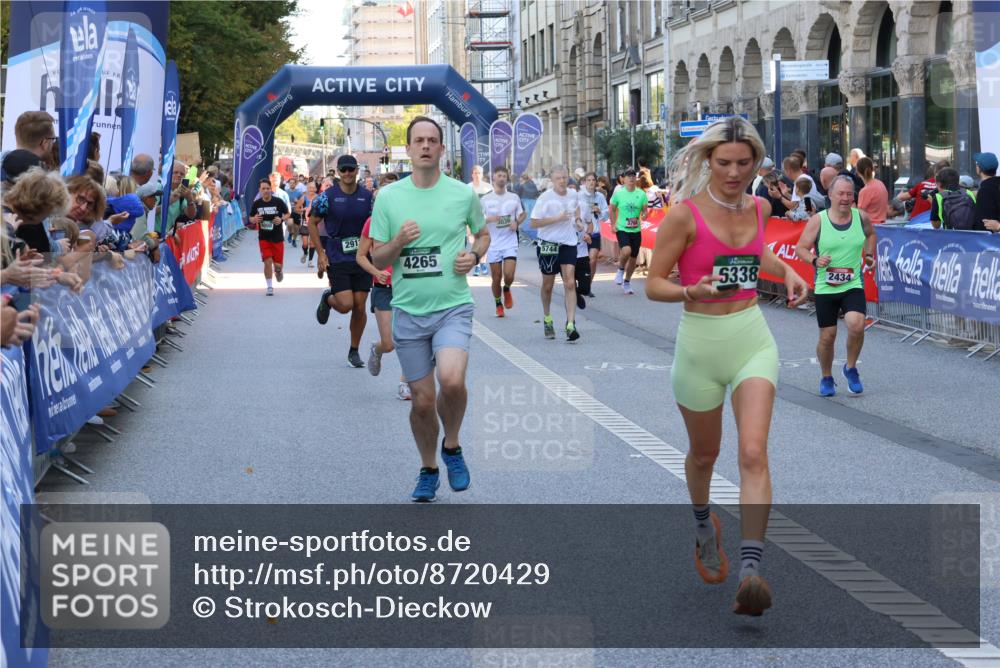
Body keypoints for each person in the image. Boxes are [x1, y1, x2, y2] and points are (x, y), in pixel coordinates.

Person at [645, 116, 809, 617]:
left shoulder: (760, 206)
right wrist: (690, 289)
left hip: (750, 337)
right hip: (699, 344)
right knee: (703, 457)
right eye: (724, 163)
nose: (734, 172)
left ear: (755, 162)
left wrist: (788, 272)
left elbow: (752, 250)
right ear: (708, 161)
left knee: (754, 454)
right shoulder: (684, 215)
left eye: (744, 163)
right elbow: (654, 283)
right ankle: (703, 526)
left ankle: (752, 570)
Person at [369, 116, 489, 502]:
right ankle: (428, 467)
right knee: (421, 401)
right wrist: (399, 241)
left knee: (452, 381)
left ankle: (451, 446)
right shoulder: (389, 198)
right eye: (418, 140)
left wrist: (473, 254)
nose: (425, 146)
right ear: (408, 149)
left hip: (453, 306)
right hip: (408, 310)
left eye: (432, 140)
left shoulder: (462, 194)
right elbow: (378, 255)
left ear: (441, 149)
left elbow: (483, 234)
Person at [795, 175, 877, 397]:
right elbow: (800, 248)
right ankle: (826, 376)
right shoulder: (819, 220)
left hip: (852, 283)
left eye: (850, 194)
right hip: (825, 287)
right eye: (841, 193)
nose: (845, 198)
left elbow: (871, 235)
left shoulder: (860, 217)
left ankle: (850, 368)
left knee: (856, 325)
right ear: (830, 195)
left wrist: (868, 255)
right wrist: (814, 260)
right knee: (827, 337)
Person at [311, 154, 375, 368]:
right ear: (338, 172)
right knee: (346, 305)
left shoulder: (368, 197)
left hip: (363, 257)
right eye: (344, 170)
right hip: (337, 255)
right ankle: (329, 299)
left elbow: (377, 224)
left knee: (360, 307)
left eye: (351, 169)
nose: (348, 173)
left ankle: (354, 350)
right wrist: (320, 253)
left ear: (357, 170)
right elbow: (312, 222)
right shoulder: (327, 197)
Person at [531, 165, 582, 341]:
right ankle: (547, 318)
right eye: (559, 178)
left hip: (568, 242)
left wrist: (578, 220)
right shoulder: (545, 198)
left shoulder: (573, 194)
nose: (562, 181)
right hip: (547, 244)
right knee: (548, 285)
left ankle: (570, 324)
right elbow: (534, 223)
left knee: (569, 282)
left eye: (565, 177)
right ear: (552, 180)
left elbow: (576, 209)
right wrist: (556, 219)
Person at [480, 166, 525, 317]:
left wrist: (517, 223)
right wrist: (489, 219)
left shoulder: (514, 197)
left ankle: (507, 288)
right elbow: (478, 220)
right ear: (493, 178)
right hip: (493, 243)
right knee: (496, 277)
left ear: (507, 179)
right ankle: (498, 302)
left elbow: (523, 214)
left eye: (504, 176)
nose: (501, 178)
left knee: (509, 275)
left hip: (510, 241)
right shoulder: (485, 199)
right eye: (499, 175)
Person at [247, 178, 290, 296]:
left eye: (267, 188)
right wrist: (254, 219)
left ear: (271, 189)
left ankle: (279, 271)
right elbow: (250, 218)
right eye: (263, 189)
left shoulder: (278, 201)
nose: (266, 191)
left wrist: (281, 219)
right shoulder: (257, 203)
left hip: (277, 237)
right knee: (267, 261)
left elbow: (287, 214)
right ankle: (269, 286)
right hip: (264, 238)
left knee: (277, 266)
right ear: (260, 190)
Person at [609, 168, 648, 295]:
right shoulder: (619, 194)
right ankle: (620, 270)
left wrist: (644, 214)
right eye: (628, 176)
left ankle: (627, 282)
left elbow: (644, 210)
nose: (631, 178)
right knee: (626, 250)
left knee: (633, 259)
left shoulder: (641, 194)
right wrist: (613, 224)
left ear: (635, 179)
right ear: (623, 179)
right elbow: (612, 209)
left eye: (633, 176)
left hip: (635, 229)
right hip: (622, 228)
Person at [579, 172, 608, 296]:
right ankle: (579, 282)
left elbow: (606, 215)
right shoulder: (579, 196)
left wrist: (600, 210)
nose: (591, 182)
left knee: (592, 260)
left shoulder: (600, 197)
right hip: (581, 233)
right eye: (588, 180)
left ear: (596, 182)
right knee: (580, 261)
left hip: (595, 233)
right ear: (585, 182)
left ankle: (587, 286)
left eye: (593, 180)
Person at [855, 157, 889, 225]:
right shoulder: (881, 184)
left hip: (869, 227)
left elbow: (859, 214)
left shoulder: (865, 191)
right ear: (872, 169)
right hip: (883, 225)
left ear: (858, 173)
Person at [973, 152, 1000, 232]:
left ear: (979, 168)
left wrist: (998, 226)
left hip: (993, 242)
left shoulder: (985, 191)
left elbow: (983, 225)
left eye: (977, 164)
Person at [298, 181, 317, 267]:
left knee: (312, 243)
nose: (312, 189)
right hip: (305, 223)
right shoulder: (303, 198)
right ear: (307, 189)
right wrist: (303, 210)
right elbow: (296, 209)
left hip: (314, 223)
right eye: (310, 188)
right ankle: (305, 253)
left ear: (316, 189)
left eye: (313, 188)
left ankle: (310, 261)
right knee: (305, 243)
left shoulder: (318, 198)